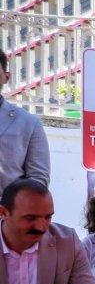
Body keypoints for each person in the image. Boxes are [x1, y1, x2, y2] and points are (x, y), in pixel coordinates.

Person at [0, 178, 95, 284]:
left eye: (48, 217)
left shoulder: (67, 240)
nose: (41, 227)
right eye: (30, 218)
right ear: (3, 213)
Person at [0, 52, 51, 189]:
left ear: (6, 77)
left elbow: (38, 179)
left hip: (7, 208)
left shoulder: (28, 123)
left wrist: (11, 206)